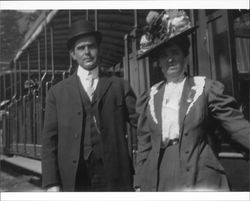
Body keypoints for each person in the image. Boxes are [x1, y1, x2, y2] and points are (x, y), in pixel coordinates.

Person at [134, 10, 250, 191]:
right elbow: (144, 145)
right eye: (164, 55)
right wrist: (140, 183)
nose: (170, 59)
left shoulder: (203, 88)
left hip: (199, 172)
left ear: (185, 56)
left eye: (175, 52)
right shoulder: (150, 97)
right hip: (159, 177)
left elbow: (237, 127)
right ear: (159, 62)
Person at [42, 19, 137, 191]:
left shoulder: (119, 86)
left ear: (98, 49)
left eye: (91, 46)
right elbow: (49, 141)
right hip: (75, 177)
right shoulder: (57, 93)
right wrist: (51, 183)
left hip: (114, 177)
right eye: (80, 48)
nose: (87, 52)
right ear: (73, 54)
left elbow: (143, 125)